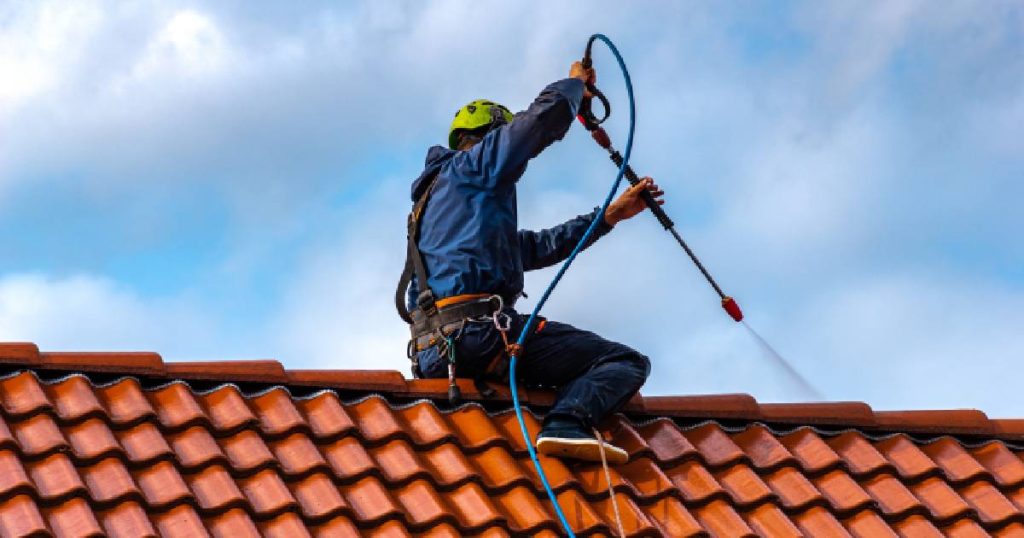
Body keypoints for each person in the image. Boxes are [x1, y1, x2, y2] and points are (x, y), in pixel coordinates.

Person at [396, 61, 662, 464]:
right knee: (623, 362)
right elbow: (541, 120)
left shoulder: (439, 213)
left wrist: (610, 215)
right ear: (487, 138)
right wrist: (575, 85)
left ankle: (556, 416)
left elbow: (538, 247)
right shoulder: (473, 167)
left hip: (433, 352)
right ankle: (566, 423)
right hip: (479, 334)